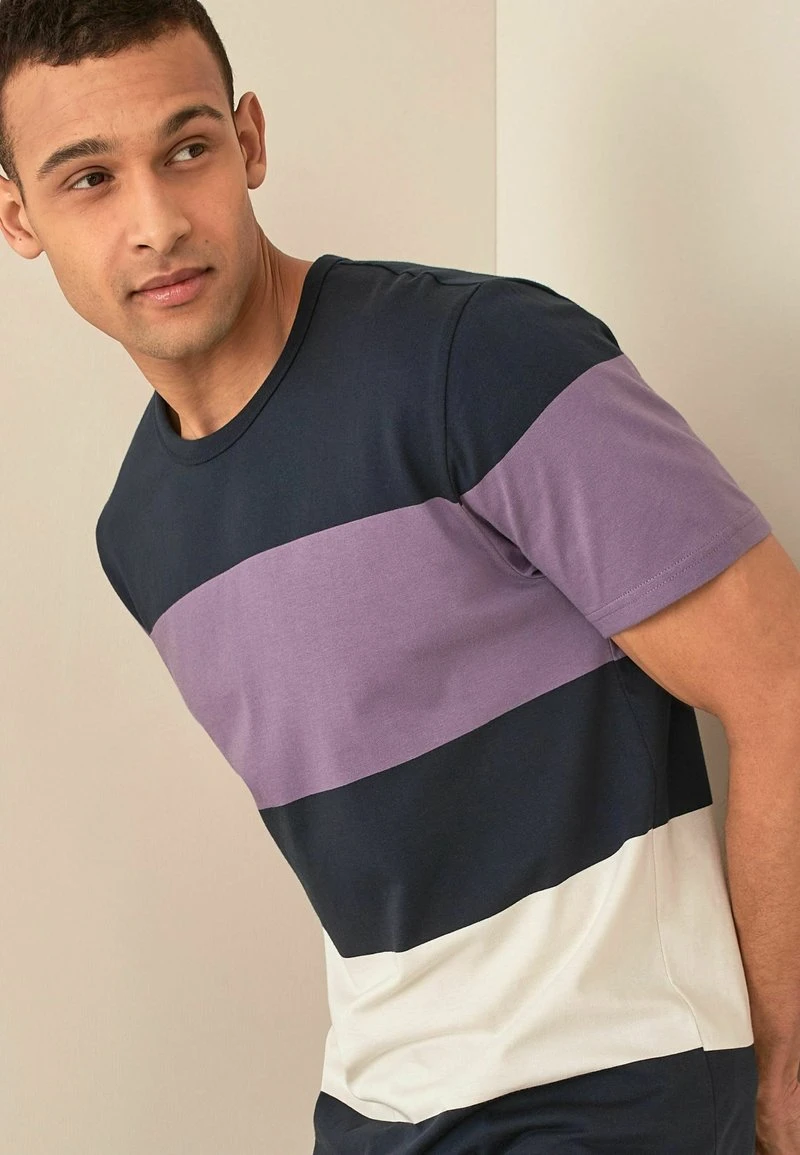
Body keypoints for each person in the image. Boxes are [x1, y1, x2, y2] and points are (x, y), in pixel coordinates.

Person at [1, 3, 795, 1153]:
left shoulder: (478, 359)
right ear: (18, 217)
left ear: (249, 140)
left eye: (187, 149)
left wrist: (778, 1086)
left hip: (612, 1092)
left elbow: (778, 685)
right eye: (89, 179)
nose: (156, 223)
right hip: (378, 1110)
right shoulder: (140, 535)